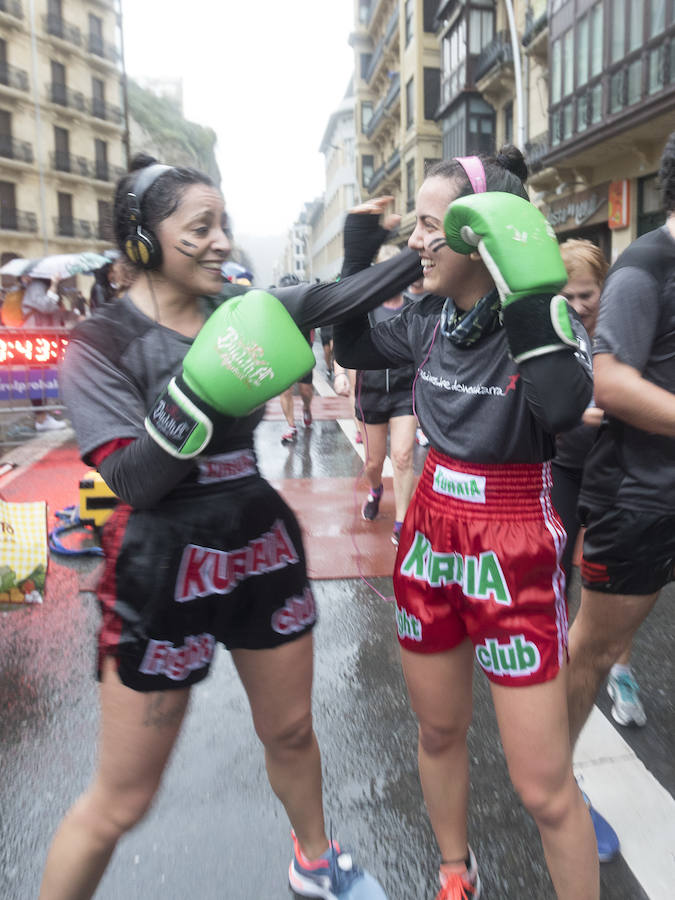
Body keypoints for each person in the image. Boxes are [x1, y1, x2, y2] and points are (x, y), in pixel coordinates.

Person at [38, 153, 422, 900]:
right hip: (158, 566)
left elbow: (339, 294)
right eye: (199, 228)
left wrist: (424, 249)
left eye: (224, 225)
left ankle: (315, 861)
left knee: (289, 732)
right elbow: (128, 483)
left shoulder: (244, 310)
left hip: (257, 545)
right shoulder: (100, 345)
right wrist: (199, 391)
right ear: (143, 241)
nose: (220, 242)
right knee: (121, 800)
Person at [334, 150, 599, 899]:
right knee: (438, 731)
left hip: (512, 539)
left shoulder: (544, 316)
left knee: (544, 788)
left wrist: (521, 276)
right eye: (415, 224)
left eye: (430, 225)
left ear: (483, 233)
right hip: (429, 531)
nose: (416, 241)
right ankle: (455, 872)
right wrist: (361, 254)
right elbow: (351, 347)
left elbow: (559, 410)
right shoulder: (430, 313)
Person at [566, 130, 675, 849]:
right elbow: (610, 381)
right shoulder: (644, 267)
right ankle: (554, 782)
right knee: (594, 652)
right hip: (637, 499)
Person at [553, 240, 645, 735]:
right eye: (567, 295)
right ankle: (554, 665)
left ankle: (621, 672)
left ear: (606, 287)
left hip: (616, 471)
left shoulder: (624, 331)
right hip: (564, 471)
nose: (578, 306)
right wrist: (565, 414)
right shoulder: (552, 332)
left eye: (587, 293)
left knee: (611, 583)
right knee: (557, 573)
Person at [354, 245, 418, 546]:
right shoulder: (365, 310)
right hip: (371, 395)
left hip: (405, 394)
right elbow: (348, 350)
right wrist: (342, 376)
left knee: (403, 457)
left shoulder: (415, 309)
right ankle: (376, 489)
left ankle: (403, 520)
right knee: (373, 464)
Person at [21, 275, 68, 432]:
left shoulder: (40, 286)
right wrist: (54, 286)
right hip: (36, 339)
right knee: (36, 377)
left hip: (43, 339)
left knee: (44, 377)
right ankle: (41, 418)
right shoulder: (36, 286)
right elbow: (47, 306)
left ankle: (43, 416)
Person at [276, 273, 316, 444]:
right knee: (285, 391)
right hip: (282, 356)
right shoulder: (274, 308)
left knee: (306, 391)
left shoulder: (306, 308)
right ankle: (291, 426)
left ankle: (306, 407)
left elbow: (312, 335)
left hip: (302, 354)